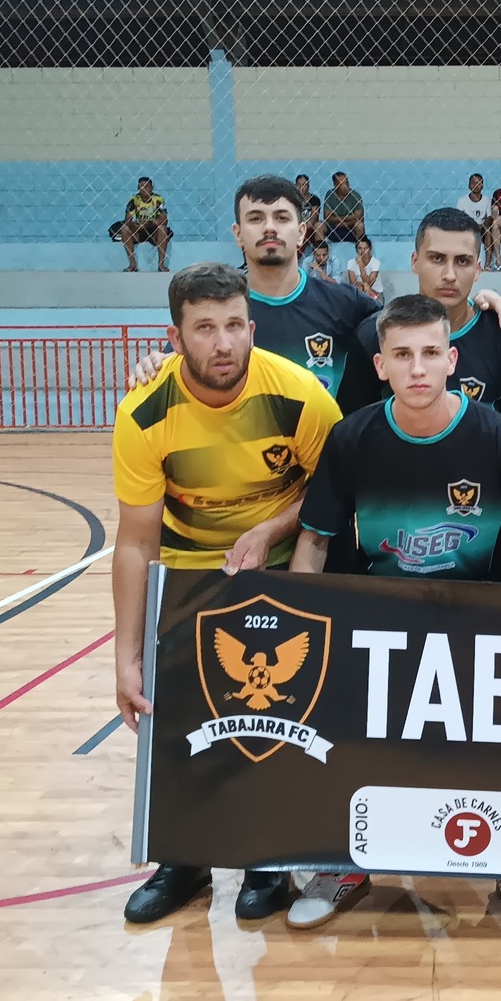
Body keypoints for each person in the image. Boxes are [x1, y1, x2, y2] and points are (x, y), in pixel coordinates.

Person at [288, 293, 501, 934]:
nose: (417, 368)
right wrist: (307, 629)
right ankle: (342, 862)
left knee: (495, 750)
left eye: (430, 353)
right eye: (403, 355)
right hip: (378, 625)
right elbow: (315, 540)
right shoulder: (352, 437)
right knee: (359, 748)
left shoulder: (496, 435)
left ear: (452, 359)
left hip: (480, 624)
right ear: (380, 365)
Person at [111, 262, 344, 926]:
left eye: (236, 325)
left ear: (252, 326)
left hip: (280, 562)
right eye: (205, 328)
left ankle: (267, 855)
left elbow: (334, 491)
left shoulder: (299, 395)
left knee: (275, 714)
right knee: (179, 714)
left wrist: (269, 529)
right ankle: (183, 858)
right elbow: (135, 541)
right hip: (188, 569)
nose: (224, 343)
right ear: (175, 336)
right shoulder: (144, 412)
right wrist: (127, 655)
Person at [124, 177, 501, 402]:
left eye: (281, 217)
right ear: (237, 233)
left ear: (302, 232)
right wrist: (159, 361)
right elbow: (188, 354)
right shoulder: (220, 313)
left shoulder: (346, 306)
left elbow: (413, 322)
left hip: (323, 481)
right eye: (256, 218)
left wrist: (481, 300)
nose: (269, 228)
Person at [348, 208, 501, 434]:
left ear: (478, 269)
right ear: (415, 262)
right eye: (437, 259)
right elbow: (354, 432)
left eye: (462, 261)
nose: (449, 275)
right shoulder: (375, 335)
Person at [122, 177, 171, 272]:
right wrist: (135, 225)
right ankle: (132, 264)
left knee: (162, 229)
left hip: (154, 231)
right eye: (141, 186)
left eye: (146, 186)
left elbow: (164, 220)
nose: (143, 188)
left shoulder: (158, 199)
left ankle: (161, 265)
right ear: (138, 188)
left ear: (152, 188)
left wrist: (149, 222)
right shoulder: (134, 199)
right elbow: (127, 220)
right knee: (124, 229)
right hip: (139, 230)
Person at [456, 173, 493, 266]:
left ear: (483, 186)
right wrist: (472, 225)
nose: (476, 185)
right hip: (468, 228)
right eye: (473, 183)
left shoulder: (487, 200)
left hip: (483, 228)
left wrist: (482, 225)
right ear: (469, 185)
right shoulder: (462, 200)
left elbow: (489, 217)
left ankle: (488, 263)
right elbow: (459, 218)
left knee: (488, 232)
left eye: (479, 183)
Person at [322, 171, 366, 247]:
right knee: (318, 226)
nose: (345, 186)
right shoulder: (330, 195)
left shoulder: (355, 196)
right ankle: (321, 251)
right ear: (336, 185)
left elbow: (359, 217)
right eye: (341, 184)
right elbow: (327, 217)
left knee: (359, 225)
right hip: (334, 228)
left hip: (351, 228)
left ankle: (360, 249)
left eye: (346, 182)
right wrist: (350, 217)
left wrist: (339, 221)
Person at [345, 236, 382, 302]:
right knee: (360, 288)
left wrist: (360, 265)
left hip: (376, 293)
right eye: (360, 248)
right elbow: (353, 283)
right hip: (359, 291)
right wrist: (364, 284)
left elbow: (369, 284)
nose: (362, 251)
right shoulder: (350, 262)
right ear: (356, 250)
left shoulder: (375, 262)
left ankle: (374, 302)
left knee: (366, 289)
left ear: (370, 249)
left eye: (365, 248)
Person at [294, 174, 324, 244]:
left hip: (309, 228)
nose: (301, 187)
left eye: (304, 185)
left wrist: (303, 229)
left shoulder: (314, 200)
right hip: (296, 227)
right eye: (299, 185)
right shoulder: (292, 200)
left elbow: (314, 219)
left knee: (318, 225)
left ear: (308, 186)